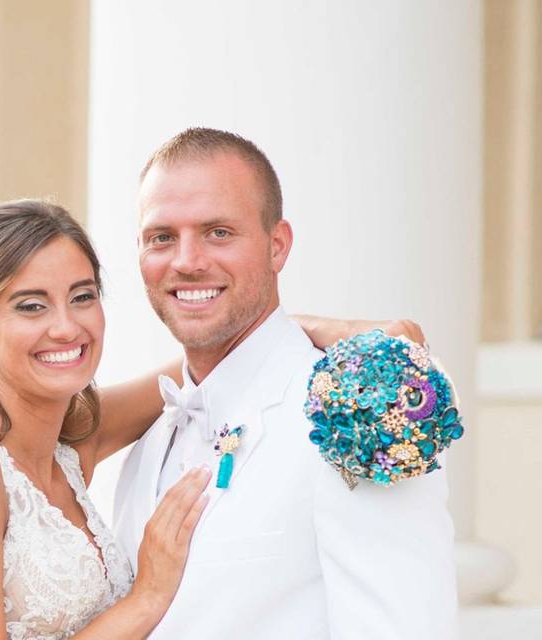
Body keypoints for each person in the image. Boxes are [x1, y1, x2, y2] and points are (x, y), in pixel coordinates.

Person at [0, 199, 429, 639]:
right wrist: (148, 598)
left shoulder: (68, 439)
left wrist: (317, 330)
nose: (66, 328)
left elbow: (213, 362)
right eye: (31, 306)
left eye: (82, 296)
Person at [113, 127, 458, 639]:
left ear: (278, 246)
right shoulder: (151, 437)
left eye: (218, 232)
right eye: (162, 237)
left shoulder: (356, 412)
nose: (186, 261)